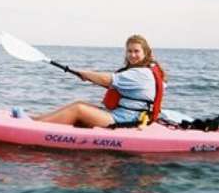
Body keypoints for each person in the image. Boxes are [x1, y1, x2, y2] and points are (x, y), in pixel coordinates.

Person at [19, 34, 166, 128]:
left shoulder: (141, 73)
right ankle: (36, 119)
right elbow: (113, 84)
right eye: (129, 51)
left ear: (145, 53)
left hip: (125, 120)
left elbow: (107, 79)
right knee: (80, 103)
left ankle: (34, 127)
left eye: (136, 51)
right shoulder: (146, 70)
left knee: (78, 109)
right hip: (124, 115)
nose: (132, 55)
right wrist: (88, 77)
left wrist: (85, 73)